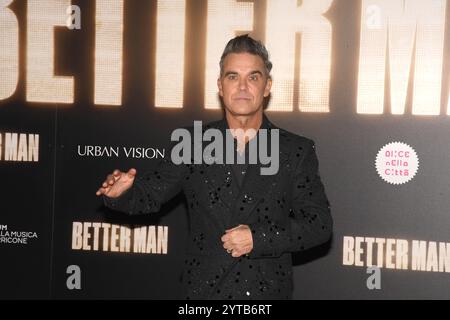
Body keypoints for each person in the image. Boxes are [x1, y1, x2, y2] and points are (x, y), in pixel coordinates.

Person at [96, 35, 332, 300]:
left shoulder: (294, 150)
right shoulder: (193, 143)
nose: (242, 86)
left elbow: (319, 225)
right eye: (233, 77)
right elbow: (150, 194)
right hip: (203, 295)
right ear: (220, 86)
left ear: (267, 86)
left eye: (253, 77)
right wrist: (120, 195)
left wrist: (258, 238)